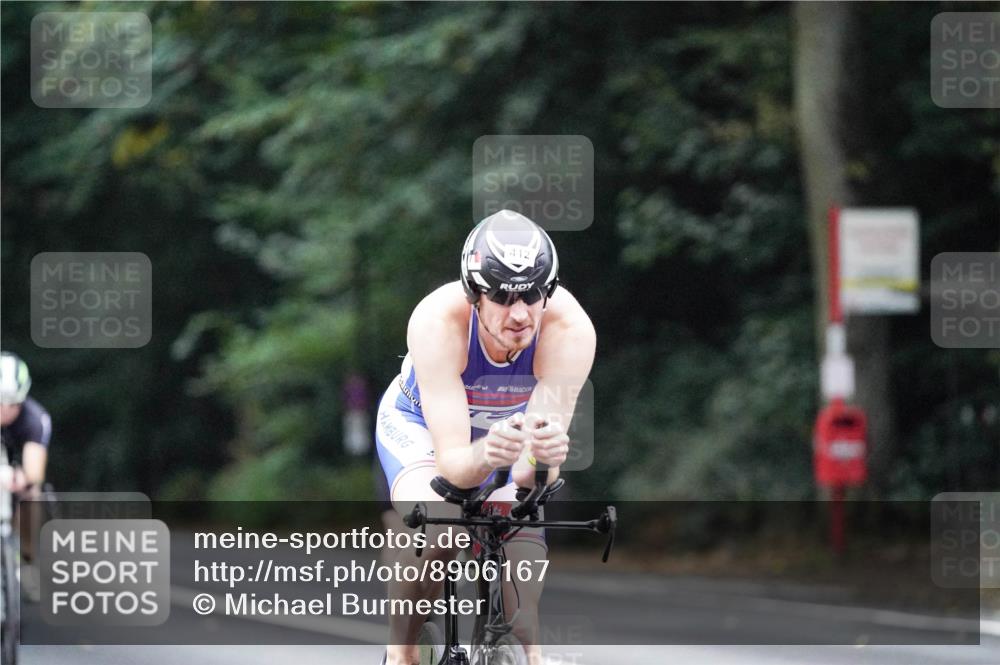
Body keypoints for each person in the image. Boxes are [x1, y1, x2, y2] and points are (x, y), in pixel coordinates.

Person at [375, 210, 596, 665]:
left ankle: (527, 655)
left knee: (521, 587)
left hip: (507, 437)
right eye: (501, 296)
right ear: (474, 294)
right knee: (438, 528)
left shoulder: (570, 332)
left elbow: (532, 475)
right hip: (422, 428)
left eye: (532, 294)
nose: (519, 313)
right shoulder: (438, 322)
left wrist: (541, 460)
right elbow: (455, 466)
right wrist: (486, 456)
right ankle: (402, 652)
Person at [0, 351, 52, 600]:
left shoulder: (35, 418)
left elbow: (34, 470)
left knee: (32, 495)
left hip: (15, 469)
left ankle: (27, 559)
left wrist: (23, 479)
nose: (3, 410)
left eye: (11, 403)